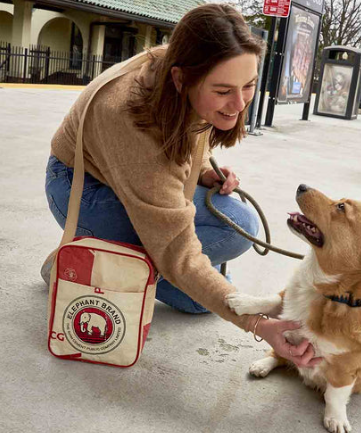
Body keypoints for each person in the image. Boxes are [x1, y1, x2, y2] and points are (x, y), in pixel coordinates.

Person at [43, 3, 321, 368]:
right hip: (81, 190)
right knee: (196, 280)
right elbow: (177, 250)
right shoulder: (131, 122)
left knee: (226, 247)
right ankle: (80, 253)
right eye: (223, 90)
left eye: (249, 85)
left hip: (129, 177)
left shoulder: (176, 74)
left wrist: (204, 170)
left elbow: (188, 133)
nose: (238, 104)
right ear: (180, 78)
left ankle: (114, 256)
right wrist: (257, 323)